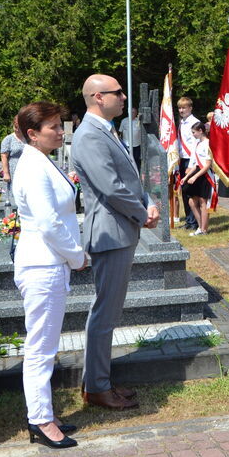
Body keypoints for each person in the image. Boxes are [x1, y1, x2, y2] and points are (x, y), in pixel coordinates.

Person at [72, 74, 159, 411]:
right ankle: (96, 387)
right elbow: (109, 187)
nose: (123, 97)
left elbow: (127, 179)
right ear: (97, 97)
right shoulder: (89, 135)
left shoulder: (105, 130)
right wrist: (141, 214)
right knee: (104, 313)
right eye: (117, 92)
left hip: (118, 229)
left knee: (108, 311)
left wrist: (146, 203)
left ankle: (99, 381)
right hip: (110, 233)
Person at [11, 101, 86, 449]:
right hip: (43, 264)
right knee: (40, 347)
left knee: (45, 344)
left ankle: (44, 414)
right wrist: (77, 256)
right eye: (53, 127)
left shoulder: (41, 161)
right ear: (32, 134)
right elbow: (48, 223)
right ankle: (40, 420)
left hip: (49, 264)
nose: (60, 132)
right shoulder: (32, 167)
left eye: (60, 126)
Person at [182, 121, 213, 236]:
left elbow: (207, 165)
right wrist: (186, 177)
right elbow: (195, 163)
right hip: (196, 172)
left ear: (201, 131)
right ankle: (200, 226)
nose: (193, 135)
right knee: (191, 200)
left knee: (202, 201)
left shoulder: (208, 144)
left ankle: (204, 229)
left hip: (205, 175)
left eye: (194, 132)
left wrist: (194, 176)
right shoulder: (198, 143)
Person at [176, 97, 201, 230]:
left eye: (184, 107)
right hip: (183, 159)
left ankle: (194, 221)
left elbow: (195, 145)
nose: (181, 110)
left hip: (191, 161)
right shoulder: (182, 122)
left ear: (190, 108)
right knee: (184, 192)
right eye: (180, 108)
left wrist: (191, 164)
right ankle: (189, 219)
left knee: (191, 191)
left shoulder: (195, 122)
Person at [0, 121, 26, 189]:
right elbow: (4, 156)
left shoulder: (29, 138)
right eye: (15, 127)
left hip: (27, 170)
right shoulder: (8, 139)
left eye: (19, 127)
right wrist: (6, 173)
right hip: (13, 171)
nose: (17, 129)